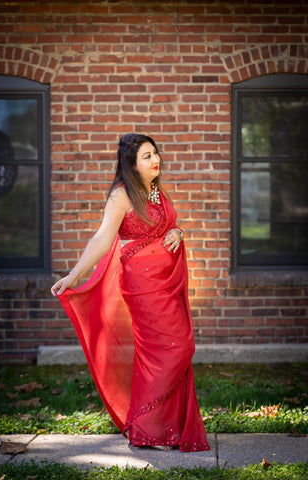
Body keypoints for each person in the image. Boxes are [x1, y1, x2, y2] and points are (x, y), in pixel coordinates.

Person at [51, 133, 210, 452]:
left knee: (180, 345)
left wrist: (178, 232)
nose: (156, 160)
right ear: (132, 165)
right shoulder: (121, 195)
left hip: (167, 283)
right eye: (147, 156)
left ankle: (169, 428)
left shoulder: (154, 190)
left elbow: (165, 227)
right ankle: (149, 428)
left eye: (156, 154)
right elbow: (101, 240)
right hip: (142, 286)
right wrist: (73, 275)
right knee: (166, 352)